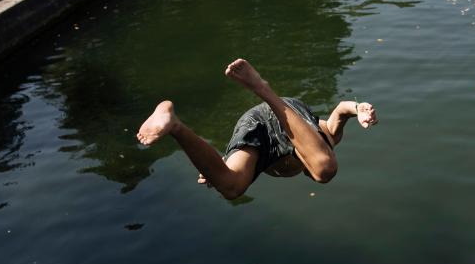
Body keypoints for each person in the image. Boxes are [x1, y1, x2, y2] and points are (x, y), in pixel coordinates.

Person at [136, 59, 378, 200]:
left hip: (255, 126)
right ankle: (262, 88)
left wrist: (217, 167)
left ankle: (174, 124)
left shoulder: (318, 148)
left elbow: (344, 111)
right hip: (285, 110)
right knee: (325, 169)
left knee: (231, 186)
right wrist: (358, 107)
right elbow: (341, 110)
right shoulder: (327, 136)